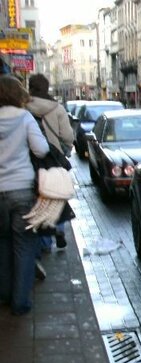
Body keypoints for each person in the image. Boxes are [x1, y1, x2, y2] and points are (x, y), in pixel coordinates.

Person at [0, 75, 50, 315]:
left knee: (2, 244)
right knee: (24, 247)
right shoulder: (24, 117)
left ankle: (4, 294)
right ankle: (20, 302)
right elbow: (41, 149)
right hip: (21, 189)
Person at [26, 74, 75, 252]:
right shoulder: (57, 108)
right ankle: (59, 229)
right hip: (54, 159)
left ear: (30, 87)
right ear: (47, 88)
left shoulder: (23, 107)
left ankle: (45, 242)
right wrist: (65, 149)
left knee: (39, 198)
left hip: (31, 160)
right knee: (56, 196)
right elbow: (68, 136)